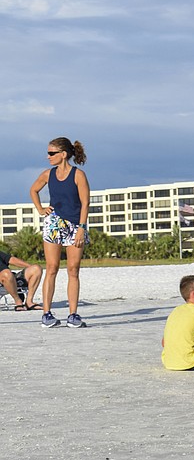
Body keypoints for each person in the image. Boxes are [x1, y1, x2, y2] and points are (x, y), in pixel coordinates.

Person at [29, 137, 90, 328]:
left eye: (51, 153)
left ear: (63, 155)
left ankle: (73, 315)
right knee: (52, 267)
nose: (48, 157)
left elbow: (85, 203)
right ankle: (46, 315)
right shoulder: (48, 174)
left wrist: (81, 228)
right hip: (54, 223)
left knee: (73, 270)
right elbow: (33, 190)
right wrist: (40, 209)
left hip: (75, 225)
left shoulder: (78, 175)